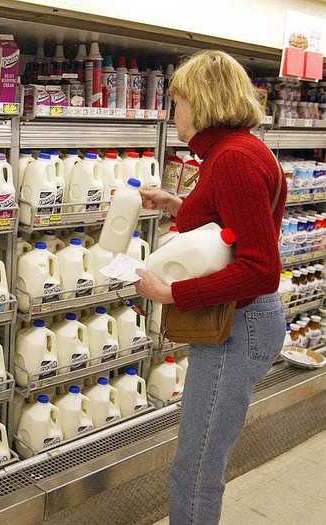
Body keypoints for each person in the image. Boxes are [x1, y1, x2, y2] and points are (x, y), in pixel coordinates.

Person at [135, 50, 286, 525]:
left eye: (177, 101)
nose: (172, 112)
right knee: (198, 458)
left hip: (239, 327)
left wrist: (174, 295)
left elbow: (261, 268)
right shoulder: (235, 151)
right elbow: (228, 228)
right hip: (238, 321)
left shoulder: (234, 159)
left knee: (197, 465)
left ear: (200, 103)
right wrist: (176, 203)